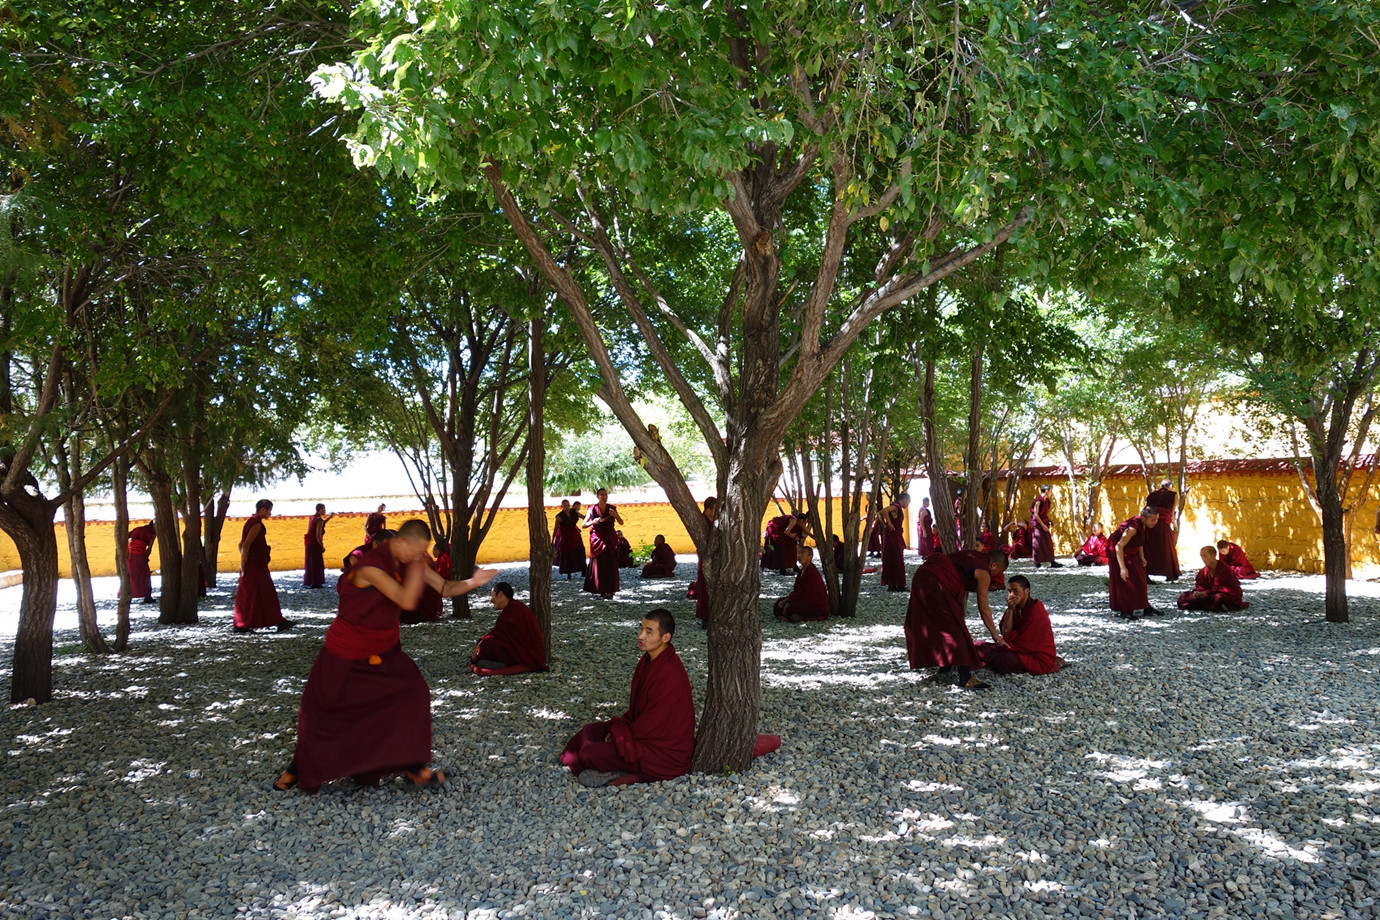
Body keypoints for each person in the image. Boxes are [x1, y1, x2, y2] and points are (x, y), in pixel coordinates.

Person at [273, 519, 498, 794]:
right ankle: (298, 768)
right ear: (400, 542)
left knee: (413, 694)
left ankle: (414, 767)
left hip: (384, 651)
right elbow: (405, 600)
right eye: (417, 552)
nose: (421, 558)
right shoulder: (370, 568)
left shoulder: (409, 561)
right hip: (347, 652)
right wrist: (417, 568)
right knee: (325, 712)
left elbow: (445, 588)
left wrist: (474, 581)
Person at [560, 608, 695, 787]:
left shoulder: (670, 672)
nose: (641, 636)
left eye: (649, 632)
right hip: (643, 732)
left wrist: (620, 735)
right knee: (591, 730)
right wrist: (618, 727)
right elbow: (638, 711)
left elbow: (653, 723)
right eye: (641, 629)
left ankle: (627, 773)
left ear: (665, 638)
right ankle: (618, 769)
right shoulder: (647, 661)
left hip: (663, 752)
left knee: (590, 753)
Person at [904, 548, 1009, 690]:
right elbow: (983, 608)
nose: (997, 576)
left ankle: (945, 664)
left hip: (922, 576)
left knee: (935, 622)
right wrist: (995, 635)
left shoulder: (972, 555)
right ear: (994, 565)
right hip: (937, 582)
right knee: (956, 627)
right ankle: (965, 677)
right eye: (999, 571)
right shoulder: (984, 572)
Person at [974, 575, 1063, 675]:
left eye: (1015, 591)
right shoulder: (1015, 607)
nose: (1011, 595)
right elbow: (1006, 632)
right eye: (1009, 591)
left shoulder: (1035, 610)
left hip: (1035, 656)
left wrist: (1006, 645)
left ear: (1027, 591)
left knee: (1003, 659)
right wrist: (1010, 610)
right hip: (1016, 649)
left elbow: (1026, 642)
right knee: (978, 645)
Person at [234, 500, 293, 633]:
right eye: (269, 510)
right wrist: (242, 564)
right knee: (258, 593)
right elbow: (245, 545)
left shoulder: (250, 522)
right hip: (255, 566)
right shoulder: (256, 525)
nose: (270, 514)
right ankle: (242, 624)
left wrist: (244, 561)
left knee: (258, 593)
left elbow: (240, 544)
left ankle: (273, 621)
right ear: (262, 510)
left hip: (255, 564)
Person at [472, 582, 549, 672]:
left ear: (500, 594)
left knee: (486, 646)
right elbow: (500, 634)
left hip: (524, 653)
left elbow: (498, 635)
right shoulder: (515, 607)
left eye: (493, 596)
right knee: (483, 642)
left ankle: (504, 664)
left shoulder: (514, 609)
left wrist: (481, 645)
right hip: (521, 648)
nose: (491, 601)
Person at [1109, 506, 1163, 620]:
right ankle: (1126, 610)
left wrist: (1142, 557)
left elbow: (1139, 541)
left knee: (1140, 578)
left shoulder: (1143, 524)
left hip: (1131, 551)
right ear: (1144, 518)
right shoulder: (1132, 528)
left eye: (1157, 519)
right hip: (1118, 552)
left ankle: (1146, 607)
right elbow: (1119, 546)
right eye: (1153, 520)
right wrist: (1122, 568)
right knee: (1126, 580)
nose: (1155, 522)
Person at [1178, 546, 1250, 611]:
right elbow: (1200, 586)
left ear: (1213, 555)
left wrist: (1207, 593)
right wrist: (1198, 592)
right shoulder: (1204, 571)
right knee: (1183, 596)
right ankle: (1215, 607)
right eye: (1202, 556)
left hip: (1225, 596)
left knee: (1219, 598)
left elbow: (1228, 589)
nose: (1203, 559)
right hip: (1208, 596)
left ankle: (1202, 606)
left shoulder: (1225, 569)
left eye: (1205, 556)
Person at [582, 488, 624, 598]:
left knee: (610, 565)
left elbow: (621, 522)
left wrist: (615, 515)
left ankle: (610, 590)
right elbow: (583, 524)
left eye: (606, 494)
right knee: (599, 565)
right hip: (597, 540)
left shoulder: (612, 508)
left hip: (610, 539)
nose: (604, 496)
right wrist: (593, 522)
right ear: (597, 496)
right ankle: (600, 590)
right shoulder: (591, 509)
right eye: (602, 494)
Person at [773, 545, 831, 622]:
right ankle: (792, 615)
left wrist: (789, 600)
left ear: (810, 557)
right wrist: (787, 599)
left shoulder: (812, 573)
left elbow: (805, 593)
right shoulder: (802, 571)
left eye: (803, 554)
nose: (799, 556)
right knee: (779, 603)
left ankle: (793, 615)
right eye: (799, 553)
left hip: (816, 606)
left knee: (791, 607)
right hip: (803, 600)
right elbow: (797, 590)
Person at [1144, 479, 1181, 582]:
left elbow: (1146, 510)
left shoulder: (1151, 495)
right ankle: (1170, 575)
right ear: (1170, 487)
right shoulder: (1173, 495)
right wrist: (1174, 523)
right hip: (1163, 526)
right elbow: (1172, 512)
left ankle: (1146, 573)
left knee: (1149, 549)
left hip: (1150, 525)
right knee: (1167, 549)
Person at [690, 497, 717, 627]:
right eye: (715, 509)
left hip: (718, 559)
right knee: (704, 587)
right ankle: (705, 617)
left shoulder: (716, 522)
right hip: (705, 558)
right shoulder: (702, 523)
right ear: (707, 510)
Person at [880, 493, 910, 591]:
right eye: (908, 502)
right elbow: (884, 511)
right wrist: (888, 523)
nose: (908, 504)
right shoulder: (896, 507)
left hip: (891, 535)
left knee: (891, 558)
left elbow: (879, 514)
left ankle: (892, 585)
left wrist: (885, 524)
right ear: (904, 499)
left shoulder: (896, 507)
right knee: (897, 559)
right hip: (893, 537)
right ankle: (899, 585)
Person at [303, 503, 334, 589]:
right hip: (314, 543)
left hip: (309, 542)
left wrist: (329, 518)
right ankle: (316, 582)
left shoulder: (312, 518)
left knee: (310, 562)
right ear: (319, 510)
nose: (325, 511)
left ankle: (309, 581)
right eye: (323, 509)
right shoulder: (318, 520)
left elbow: (322, 523)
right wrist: (322, 546)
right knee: (316, 563)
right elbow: (317, 535)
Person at [1030, 485, 1061, 568]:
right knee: (1037, 543)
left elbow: (1045, 514)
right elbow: (1036, 514)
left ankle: (1052, 561)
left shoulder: (1047, 501)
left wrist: (1050, 521)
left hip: (1044, 523)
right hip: (1038, 524)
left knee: (1048, 543)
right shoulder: (1038, 501)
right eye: (1050, 491)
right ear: (1046, 491)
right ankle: (1037, 562)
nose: (1051, 493)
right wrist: (1043, 525)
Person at [126, 520, 157, 604]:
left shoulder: (138, 529)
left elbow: (127, 536)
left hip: (129, 555)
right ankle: (147, 596)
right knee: (145, 575)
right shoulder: (153, 533)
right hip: (140, 555)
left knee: (130, 575)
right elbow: (149, 548)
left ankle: (126, 595)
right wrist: (145, 558)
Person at [554, 501, 586, 579]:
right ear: (562, 506)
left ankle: (583, 570)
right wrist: (552, 540)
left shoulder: (574, 512)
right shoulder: (559, 517)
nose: (567, 507)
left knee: (580, 551)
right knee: (567, 553)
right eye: (565, 505)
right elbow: (555, 529)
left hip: (575, 535)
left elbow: (584, 517)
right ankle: (568, 572)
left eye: (568, 505)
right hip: (566, 536)